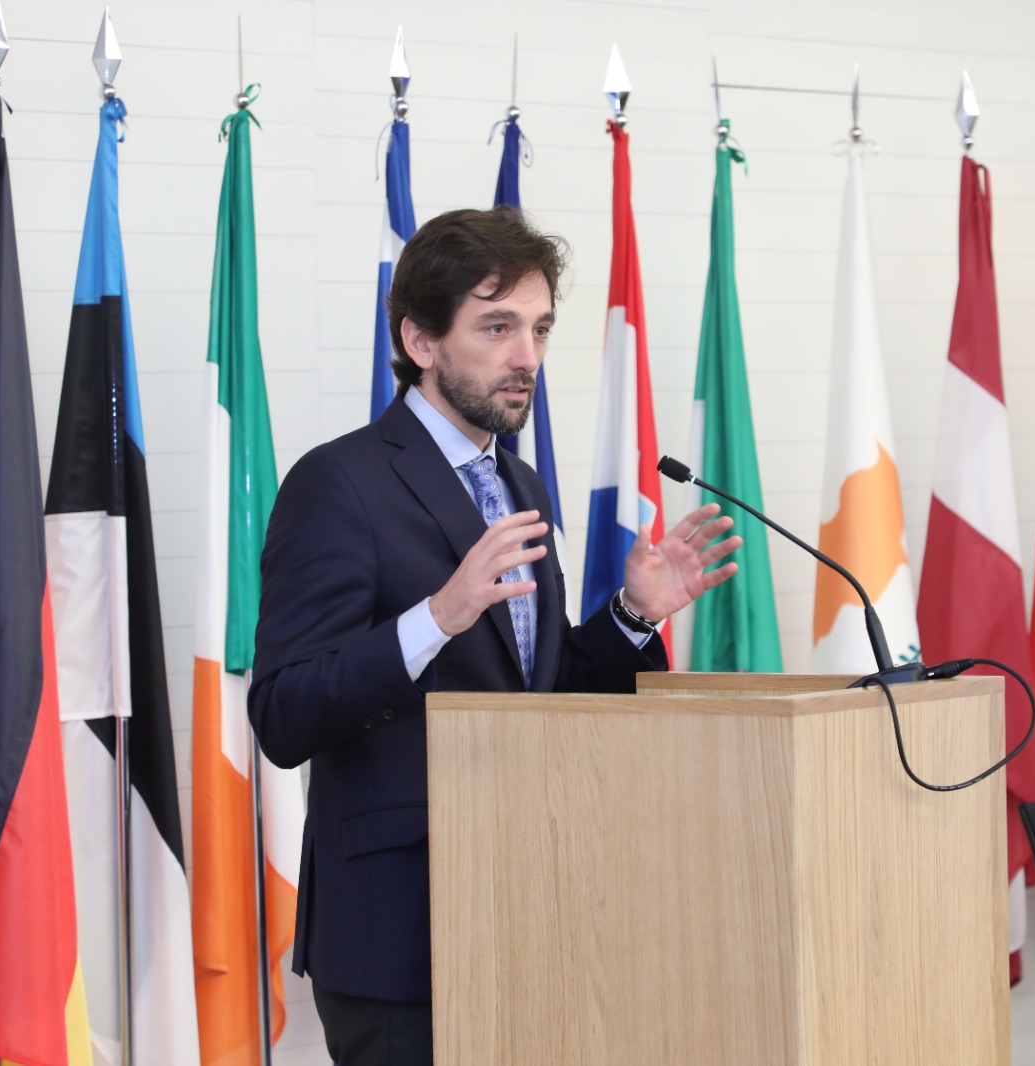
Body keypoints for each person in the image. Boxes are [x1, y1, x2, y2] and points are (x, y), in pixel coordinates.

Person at [248, 206, 740, 1066]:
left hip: (527, 913)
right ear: (421, 340)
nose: (528, 358)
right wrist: (435, 617)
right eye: (498, 326)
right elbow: (284, 714)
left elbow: (532, 700)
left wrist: (632, 615)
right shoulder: (338, 483)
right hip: (400, 935)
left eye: (539, 329)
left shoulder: (521, 484)